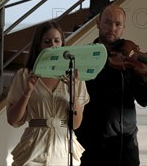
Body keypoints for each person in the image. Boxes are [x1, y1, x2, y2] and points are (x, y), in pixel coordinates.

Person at [75, 5, 147, 166]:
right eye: (107, 22)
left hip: (126, 144)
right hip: (92, 144)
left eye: (118, 24)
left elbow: (143, 100)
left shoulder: (131, 58)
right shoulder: (84, 56)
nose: (112, 28)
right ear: (98, 23)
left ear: (123, 28)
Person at [7, 21, 90, 166]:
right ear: (39, 45)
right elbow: (13, 120)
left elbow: (76, 124)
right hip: (32, 150)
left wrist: (73, 94)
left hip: (63, 152)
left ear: (62, 44)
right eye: (47, 41)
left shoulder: (75, 77)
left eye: (57, 41)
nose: (53, 45)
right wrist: (28, 91)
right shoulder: (24, 75)